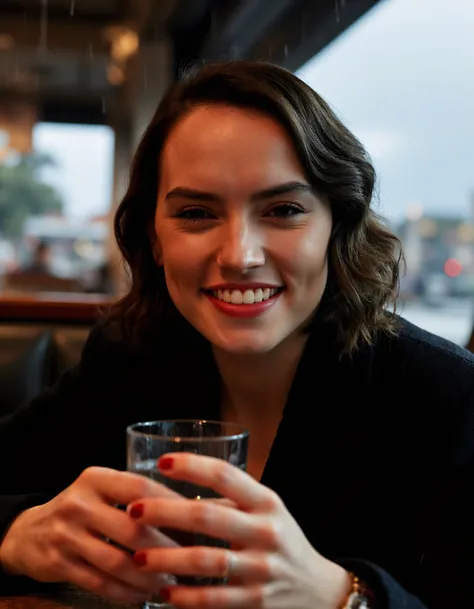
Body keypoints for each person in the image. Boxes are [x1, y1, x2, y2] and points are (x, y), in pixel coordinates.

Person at [0, 60, 473, 609]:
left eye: (283, 210)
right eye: (197, 213)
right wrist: (16, 532)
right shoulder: (132, 357)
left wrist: (344, 597)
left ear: (335, 228)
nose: (240, 256)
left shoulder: (445, 398)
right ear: (153, 238)